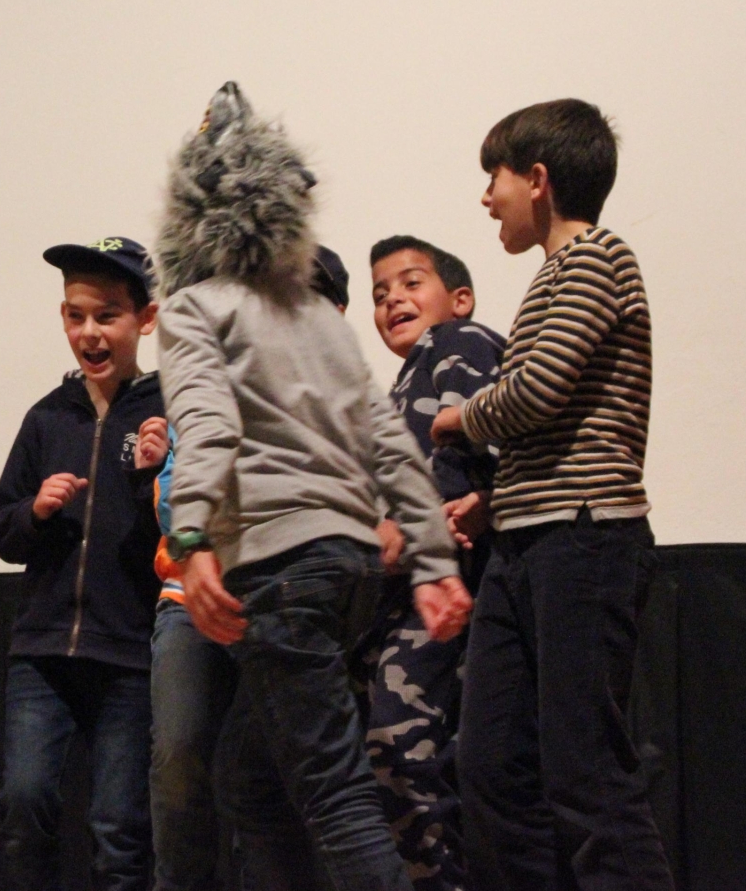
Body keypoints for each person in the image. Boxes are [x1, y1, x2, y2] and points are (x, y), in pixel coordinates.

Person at [154, 81, 472, 891]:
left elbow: (208, 428)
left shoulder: (194, 308)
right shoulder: (321, 317)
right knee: (251, 780)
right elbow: (389, 443)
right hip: (353, 570)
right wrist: (433, 562)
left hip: (280, 568)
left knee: (334, 795)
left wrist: (189, 537)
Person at [430, 98, 675, 891]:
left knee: (586, 769)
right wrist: (496, 502)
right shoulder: (552, 277)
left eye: (493, 178)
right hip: (527, 541)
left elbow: (536, 393)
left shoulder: (598, 258)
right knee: (491, 761)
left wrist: (458, 419)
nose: (485, 197)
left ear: (537, 180)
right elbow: (554, 422)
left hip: (585, 539)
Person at [140, 245, 352, 891]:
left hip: (285, 600)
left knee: (277, 776)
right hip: (193, 599)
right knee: (180, 760)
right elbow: (175, 492)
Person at [0, 237, 164, 891]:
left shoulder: (170, 411)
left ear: (146, 319)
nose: (89, 332)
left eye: (107, 315)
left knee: (119, 826)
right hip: (42, 652)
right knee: (23, 803)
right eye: (76, 316)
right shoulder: (47, 417)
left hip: (130, 653)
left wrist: (154, 477)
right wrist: (35, 512)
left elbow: (190, 535)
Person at [358, 235, 507, 891]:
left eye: (411, 282)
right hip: (399, 592)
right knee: (397, 754)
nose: (393, 299)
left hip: (448, 581)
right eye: (379, 293)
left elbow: (465, 433)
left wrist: (428, 518)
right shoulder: (401, 381)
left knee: (403, 745)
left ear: (460, 298)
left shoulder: (458, 341)